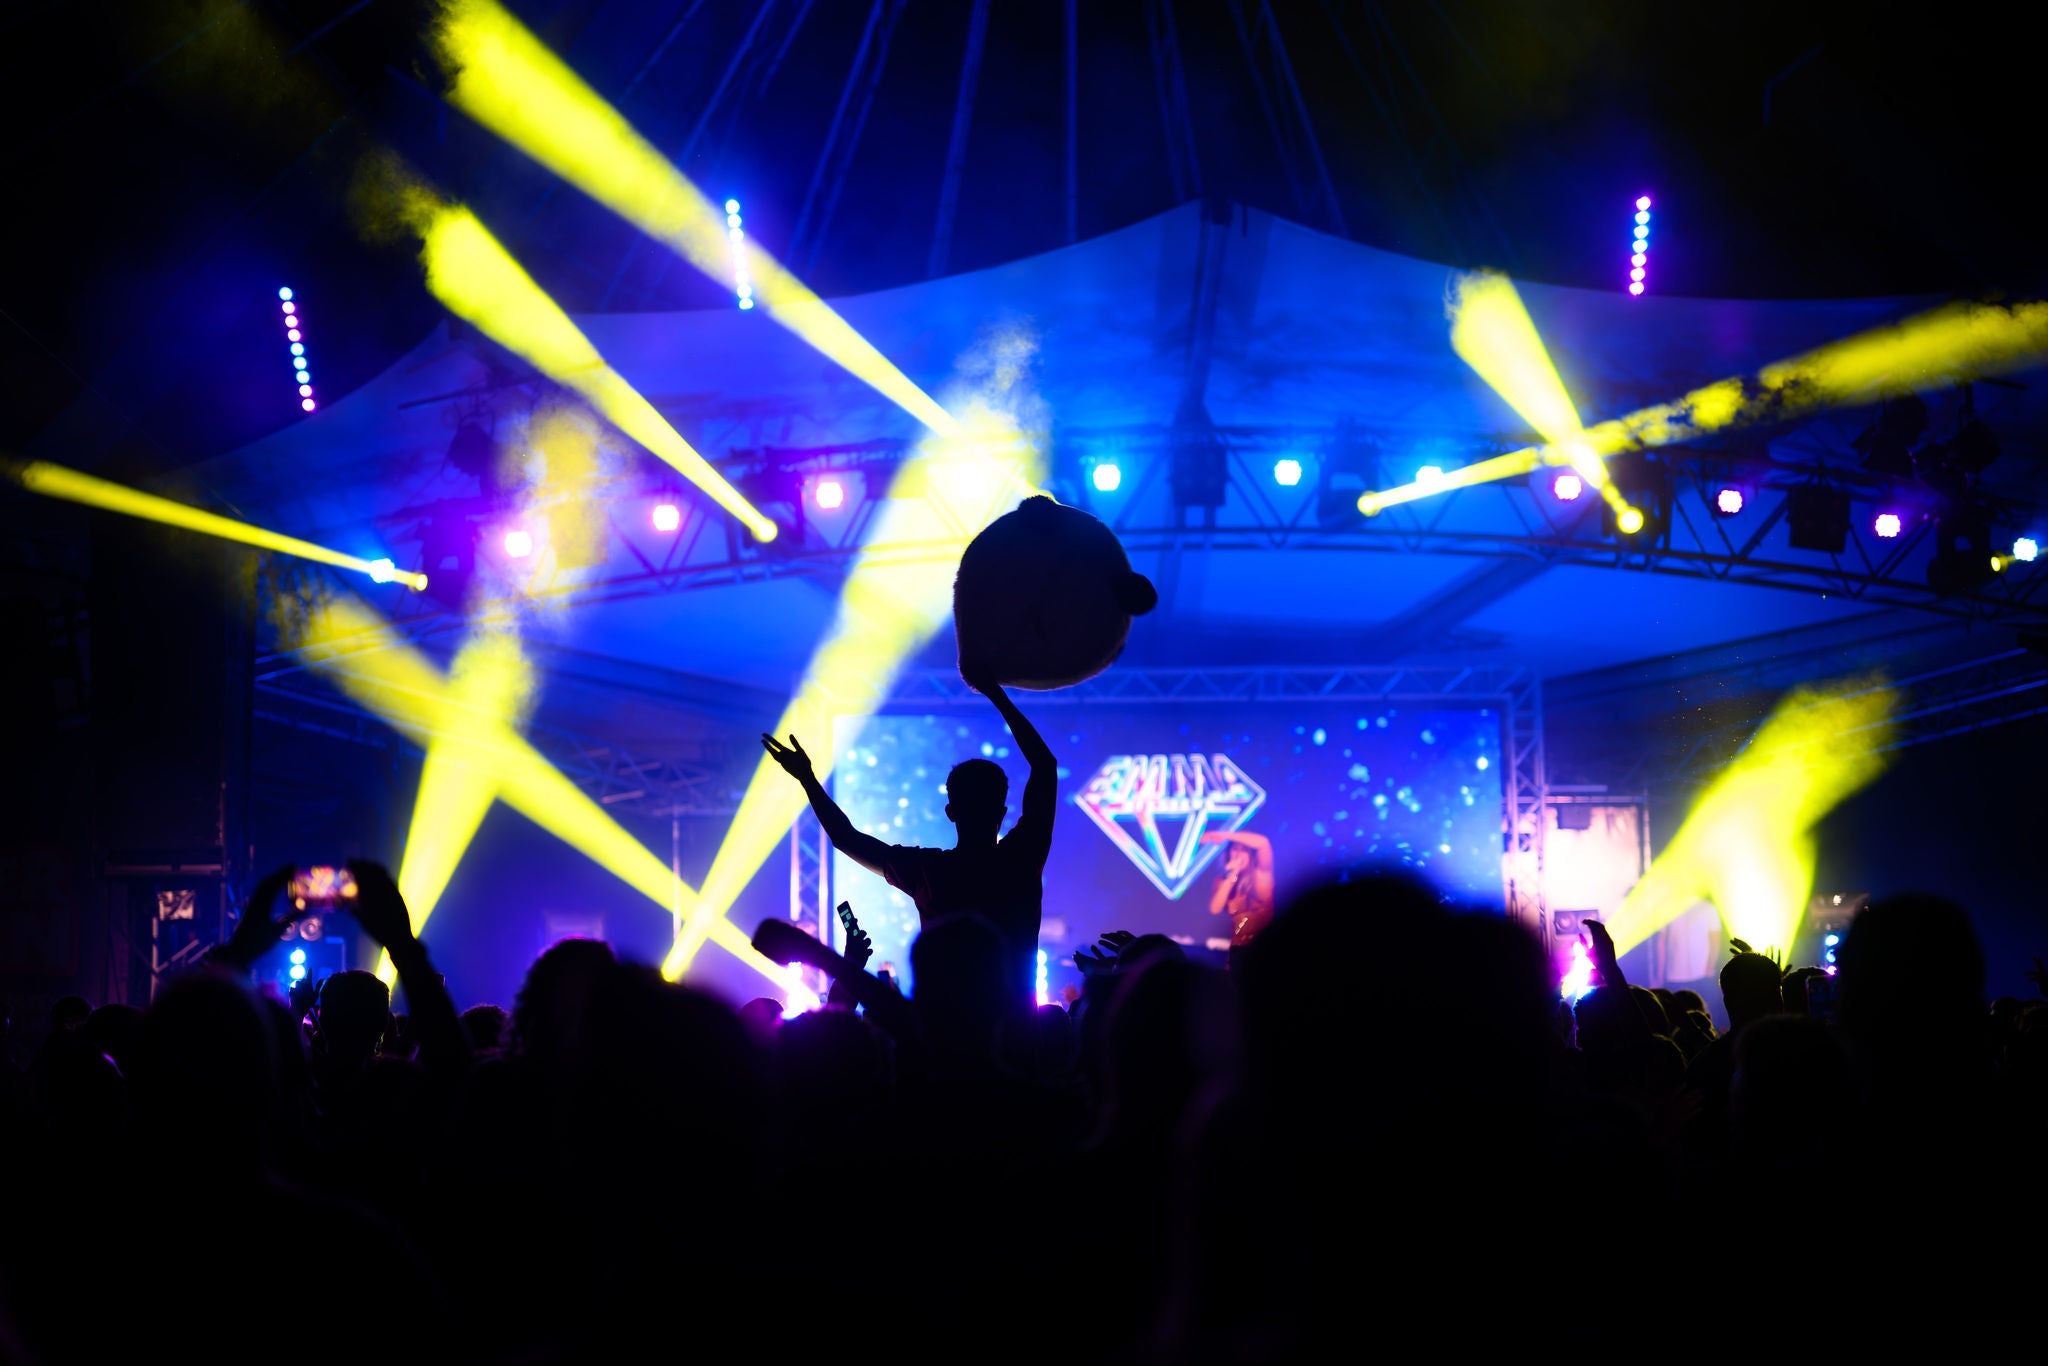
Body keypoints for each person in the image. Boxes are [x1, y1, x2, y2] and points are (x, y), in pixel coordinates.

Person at [762, 664, 1057, 1016]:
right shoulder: (1020, 857)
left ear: (950, 812)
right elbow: (1045, 767)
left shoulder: (928, 871)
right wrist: (996, 694)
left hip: (944, 1044)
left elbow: (845, 838)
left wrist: (808, 779)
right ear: (1002, 812)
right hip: (1019, 1040)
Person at [1202, 829, 1274, 958]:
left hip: (1264, 946)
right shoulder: (1223, 881)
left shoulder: (1260, 874)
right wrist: (1231, 876)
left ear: (1251, 855)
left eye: (1243, 850)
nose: (1238, 855)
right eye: (1235, 849)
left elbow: (1263, 843)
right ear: (1229, 853)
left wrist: (1223, 835)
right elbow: (1215, 908)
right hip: (1238, 948)